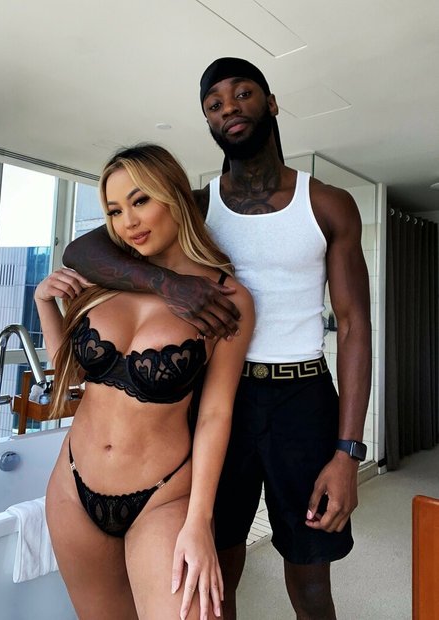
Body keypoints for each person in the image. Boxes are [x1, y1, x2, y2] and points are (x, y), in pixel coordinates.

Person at [63, 58, 372, 620]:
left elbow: (353, 328)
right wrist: (167, 283)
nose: (229, 107)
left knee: (310, 584)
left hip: (302, 398)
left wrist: (348, 451)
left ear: (271, 103)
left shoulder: (327, 203)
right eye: (214, 103)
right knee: (212, 576)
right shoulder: (198, 207)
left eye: (242, 93)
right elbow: (81, 251)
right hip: (218, 397)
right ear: (207, 121)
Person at [35, 143, 254, 620]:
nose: (127, 222)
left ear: (174, 196)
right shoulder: (104, 284)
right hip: (73, 488)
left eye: (140, 201)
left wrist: (199, 521)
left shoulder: (225, 298)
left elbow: (216, 414)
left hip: (162, 497)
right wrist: (43, 303)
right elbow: (75, 378)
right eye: (115, 211)